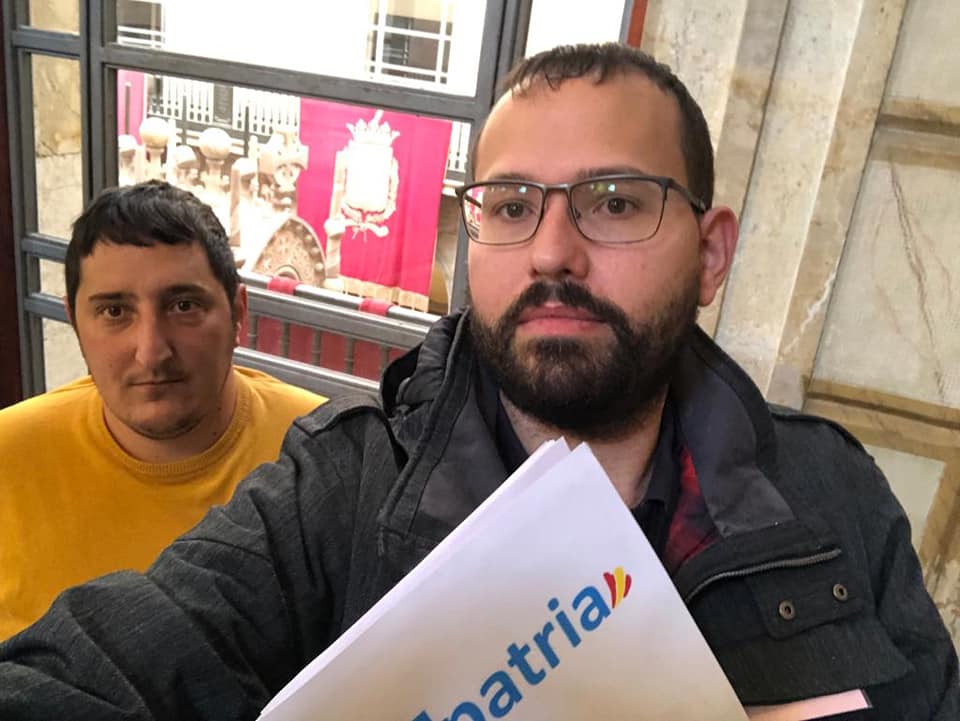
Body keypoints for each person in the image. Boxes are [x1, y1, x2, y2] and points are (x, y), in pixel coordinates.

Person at [0, 43, 956, 720]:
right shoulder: (343, 492)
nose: (552, 251)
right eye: (509, 205)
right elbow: (93, 671)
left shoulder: (832, 496)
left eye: (615, 202)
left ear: (710, 255)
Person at [0, 180, 324, 639]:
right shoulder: (8, 459)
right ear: (75, 322)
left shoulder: (326, 454)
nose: (151, 351)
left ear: (238, 314)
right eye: (115, 312)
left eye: (183, 306)